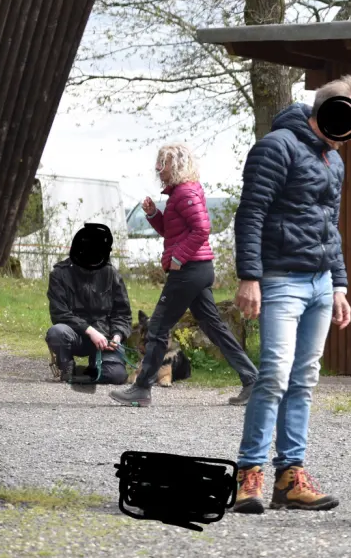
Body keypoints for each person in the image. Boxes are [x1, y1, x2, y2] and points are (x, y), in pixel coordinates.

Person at [231, 75, 351, 514]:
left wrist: (340, 285)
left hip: (318, 284)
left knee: (304, 380)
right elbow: (250, 213)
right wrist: (249, 277)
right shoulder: (275, 147)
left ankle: (289, 478)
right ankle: (248, 474)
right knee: (274, 374)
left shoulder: (334, 160)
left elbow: (329, 228)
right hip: (279, 279)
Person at [111, 143, 258, 407]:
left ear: (177, 165)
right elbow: (172, 232)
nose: (158, 169)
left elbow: (202, 229)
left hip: (190, 270)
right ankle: (252, 380)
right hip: (197, 270)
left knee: (157, 327)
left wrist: (179, 257)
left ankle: (142, 388)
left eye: (163, 164)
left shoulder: (186, 192)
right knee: (215, 327)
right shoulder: (179, 194)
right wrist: (154, 214)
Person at [46, 223, 131, 385]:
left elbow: (122, 313)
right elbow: (59, 313)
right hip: (75, 334)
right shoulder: (59, 274)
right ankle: (66, 367)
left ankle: (95, 366)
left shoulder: (111, 273)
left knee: (117, 376)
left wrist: (117, 336)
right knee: (56, 332)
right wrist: (90, 331)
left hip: (105, 338)